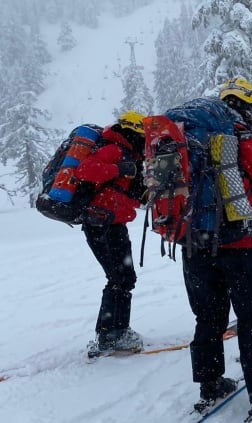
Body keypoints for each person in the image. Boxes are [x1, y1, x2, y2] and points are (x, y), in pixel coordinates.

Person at [183, 77, 252, 420]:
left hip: (193, 242)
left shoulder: (186, 142)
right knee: (251, 318)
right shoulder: (250, 143)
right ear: (248, 108)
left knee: (208, 317)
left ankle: (210, 384)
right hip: (238, 244)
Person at [76, 110, 148, 356]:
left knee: (122, 278)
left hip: (111, 223)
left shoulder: (129, 156)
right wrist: (119, 168)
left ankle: (115, 332)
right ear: (132, 132)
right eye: (142, 136)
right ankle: (110, 335)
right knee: (120, 278)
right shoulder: (115, 149)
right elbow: (85, 170)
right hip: (101, 224)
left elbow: (125, 194)